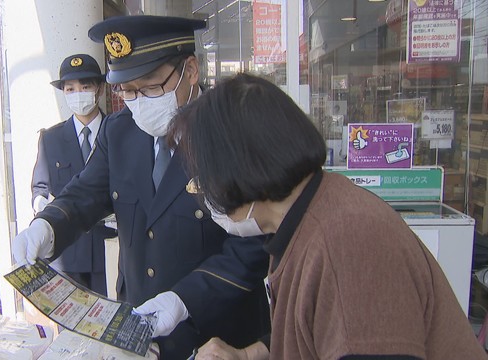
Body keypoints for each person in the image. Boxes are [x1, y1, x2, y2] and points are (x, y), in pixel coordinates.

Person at [166, 73, 488, 360]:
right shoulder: (309, 213)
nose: (202, 192)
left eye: (202, 179)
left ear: (238, 171)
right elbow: (316, 330)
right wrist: (250, 354)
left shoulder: (348, 245)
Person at [12, 16, 270, 358]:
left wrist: (184, 299)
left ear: (190, 71)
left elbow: (256, 244)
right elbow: (86, 192)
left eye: (149, 88)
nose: (139, 102)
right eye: (127, 91)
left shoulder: (233, 134)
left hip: (219, 337)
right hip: (138, 332)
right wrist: (47, 225)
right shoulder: (119, 132)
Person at [30, 53, 116, 295]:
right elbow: (40, 186)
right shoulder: (51, 138)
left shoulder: (118, 134)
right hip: (68, 254)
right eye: (70, 89)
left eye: (85, 87)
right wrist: (41, 206)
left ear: (99, 89)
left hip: (109, 249)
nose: (78, 94)